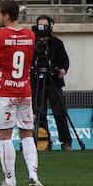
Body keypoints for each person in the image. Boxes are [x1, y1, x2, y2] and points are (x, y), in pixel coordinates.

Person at [0, 0, 46, 186]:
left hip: (5, 92)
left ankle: (10, 181)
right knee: (26, 134)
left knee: (5, 136)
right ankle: (34, 175)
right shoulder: (30, 35)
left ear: (6, 16)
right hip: (24, 91)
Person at [30, 16, 75, 151]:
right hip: (37, 82)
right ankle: (43, 142)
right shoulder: (32, 42)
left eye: (45, 26)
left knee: (60, 113)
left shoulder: (57, 42)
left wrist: (63, 70)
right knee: (39, 113)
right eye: (39, 26)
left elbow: (65, 60)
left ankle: (66, 142)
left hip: (54, 82)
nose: (42, 29)